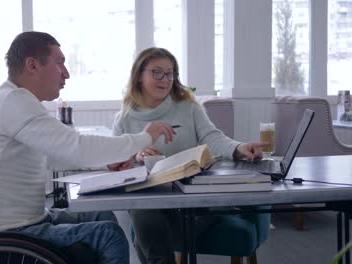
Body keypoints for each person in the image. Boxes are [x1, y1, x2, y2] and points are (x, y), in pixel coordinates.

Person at [0, 32, 176, 264]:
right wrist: (145, 137)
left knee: (102, 215)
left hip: (21, 222)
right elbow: (77, 147)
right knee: (110, 236)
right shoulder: (13, 102)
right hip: (6, 233)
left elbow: (52, 156)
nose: (67, 73)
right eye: (60, 63)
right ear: (32, 65)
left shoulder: (13, 101)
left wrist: (106, 163)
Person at [112, 47, 267, 264]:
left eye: (170, 73)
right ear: (139, 75)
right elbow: (116, 165)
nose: (165, 79)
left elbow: (213, 138)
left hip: (193, 196)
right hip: (151, 199)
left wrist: (239, 148)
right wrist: (137, 156)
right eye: (157, 72)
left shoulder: (188, 107)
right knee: (144, 211)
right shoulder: (123, 119)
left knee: (145, 231)